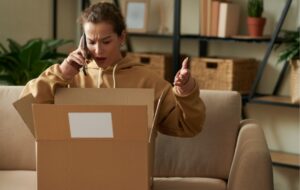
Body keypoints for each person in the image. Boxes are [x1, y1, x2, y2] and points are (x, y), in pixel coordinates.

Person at [20, 2, 205, 137]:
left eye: (106, 41)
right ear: (83, 40)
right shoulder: (70, 78)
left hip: (128, 171)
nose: (98, 50)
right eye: (91, 42)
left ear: (121, 37)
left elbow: (188, 127)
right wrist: (63, 72)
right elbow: (26, 108)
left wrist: (186, 89)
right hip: (74, 167)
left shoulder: (146, 80)